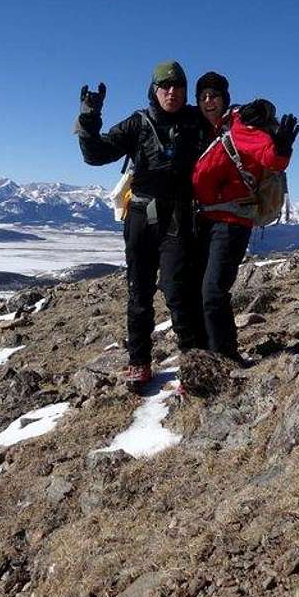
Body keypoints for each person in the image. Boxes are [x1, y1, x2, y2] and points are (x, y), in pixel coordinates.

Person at [74, 61, 211, 389]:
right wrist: (89, 118)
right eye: (165, 86)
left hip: (179, 218)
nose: (171, 92)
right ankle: (139, 363)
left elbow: (227, 129)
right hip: (141, 219)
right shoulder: (138, 123)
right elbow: (94, 155)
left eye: (177, 86)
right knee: (139, 292)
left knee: (179, 291)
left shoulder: (196, 121)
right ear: (154, 89)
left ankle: (193, 365)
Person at [192, 92, 299, 364]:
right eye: (202, 95)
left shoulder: (240, 126)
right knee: (198, 289)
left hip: (231, 222)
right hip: (201, 219)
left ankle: (225, 357)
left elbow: (270, 157)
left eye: (214, 95)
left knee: (214, 291)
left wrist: (282, 149)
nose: (208, 101)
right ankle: (207, 349)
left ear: (225, 99)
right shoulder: (198, 126)